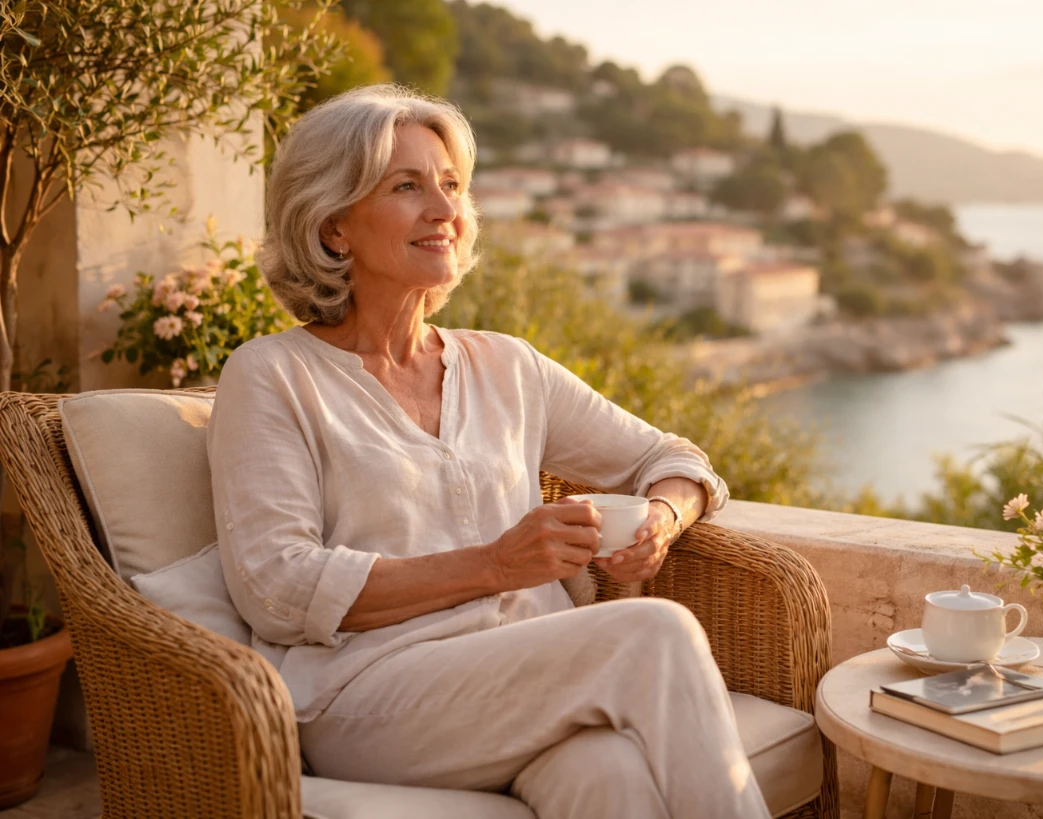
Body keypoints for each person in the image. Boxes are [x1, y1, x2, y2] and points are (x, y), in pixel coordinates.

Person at [207, 84, 771, 819]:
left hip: (523, 679)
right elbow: (276, 587)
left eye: (451, 185)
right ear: (335, 226)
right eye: (407, 186)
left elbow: (674, 457)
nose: (444, 209)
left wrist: (662, 518)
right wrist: (495, 565)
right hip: (369, 697)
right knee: (653, 632)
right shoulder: (272, 375)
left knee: (610, 777)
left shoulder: (508, 366)